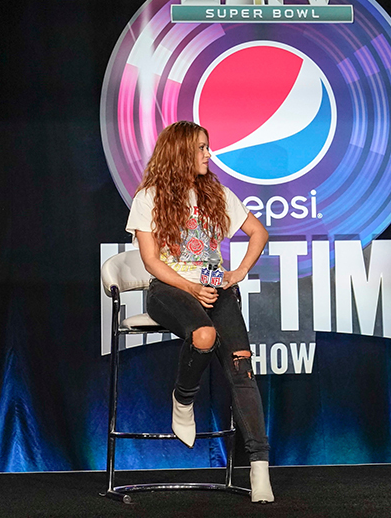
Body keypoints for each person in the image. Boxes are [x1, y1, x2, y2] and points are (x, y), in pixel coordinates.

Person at [125, 120, 274, 503]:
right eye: (202, 148)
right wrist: (191, 287)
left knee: (241, 364)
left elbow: (259, 233)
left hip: (215, 287)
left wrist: (236, 273)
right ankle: (183, 397)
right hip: (170, 289)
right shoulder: (149, 197)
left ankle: (259, 468)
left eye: (208, 147)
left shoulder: (217, 193)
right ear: (180, 152)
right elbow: (151, 261)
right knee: (203, 336)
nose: (209, 154)